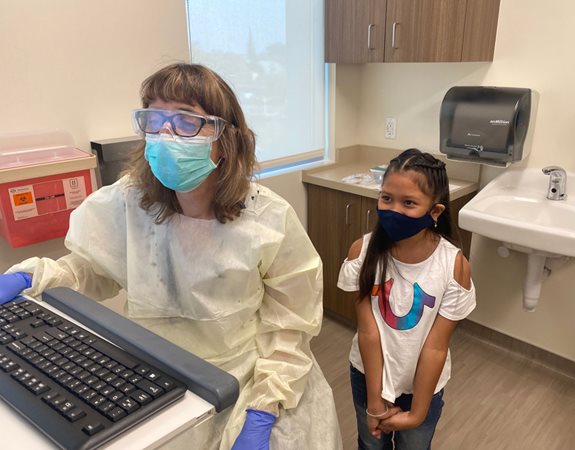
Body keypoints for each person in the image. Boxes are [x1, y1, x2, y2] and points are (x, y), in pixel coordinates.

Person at [0, 63, 342, 450]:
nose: (165, 135)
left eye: (184, 121)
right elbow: (93, 271)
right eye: (154, 119)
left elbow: (290, 327)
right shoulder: (130, 200)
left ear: (225, 138)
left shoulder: (268, 220)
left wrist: (263, 410)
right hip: (149, 370)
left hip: (243, 378)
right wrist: (33, 277)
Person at [337, 149, 476, 450]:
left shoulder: (453, 267)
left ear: (435, 211)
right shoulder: (361, 253)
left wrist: (417, 414)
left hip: (423, 387)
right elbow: (369, 331)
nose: (393, 210)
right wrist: (374, 400)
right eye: (386, 198)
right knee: (370, 445)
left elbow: (436, 346)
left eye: (409, 203)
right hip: (367, 376)